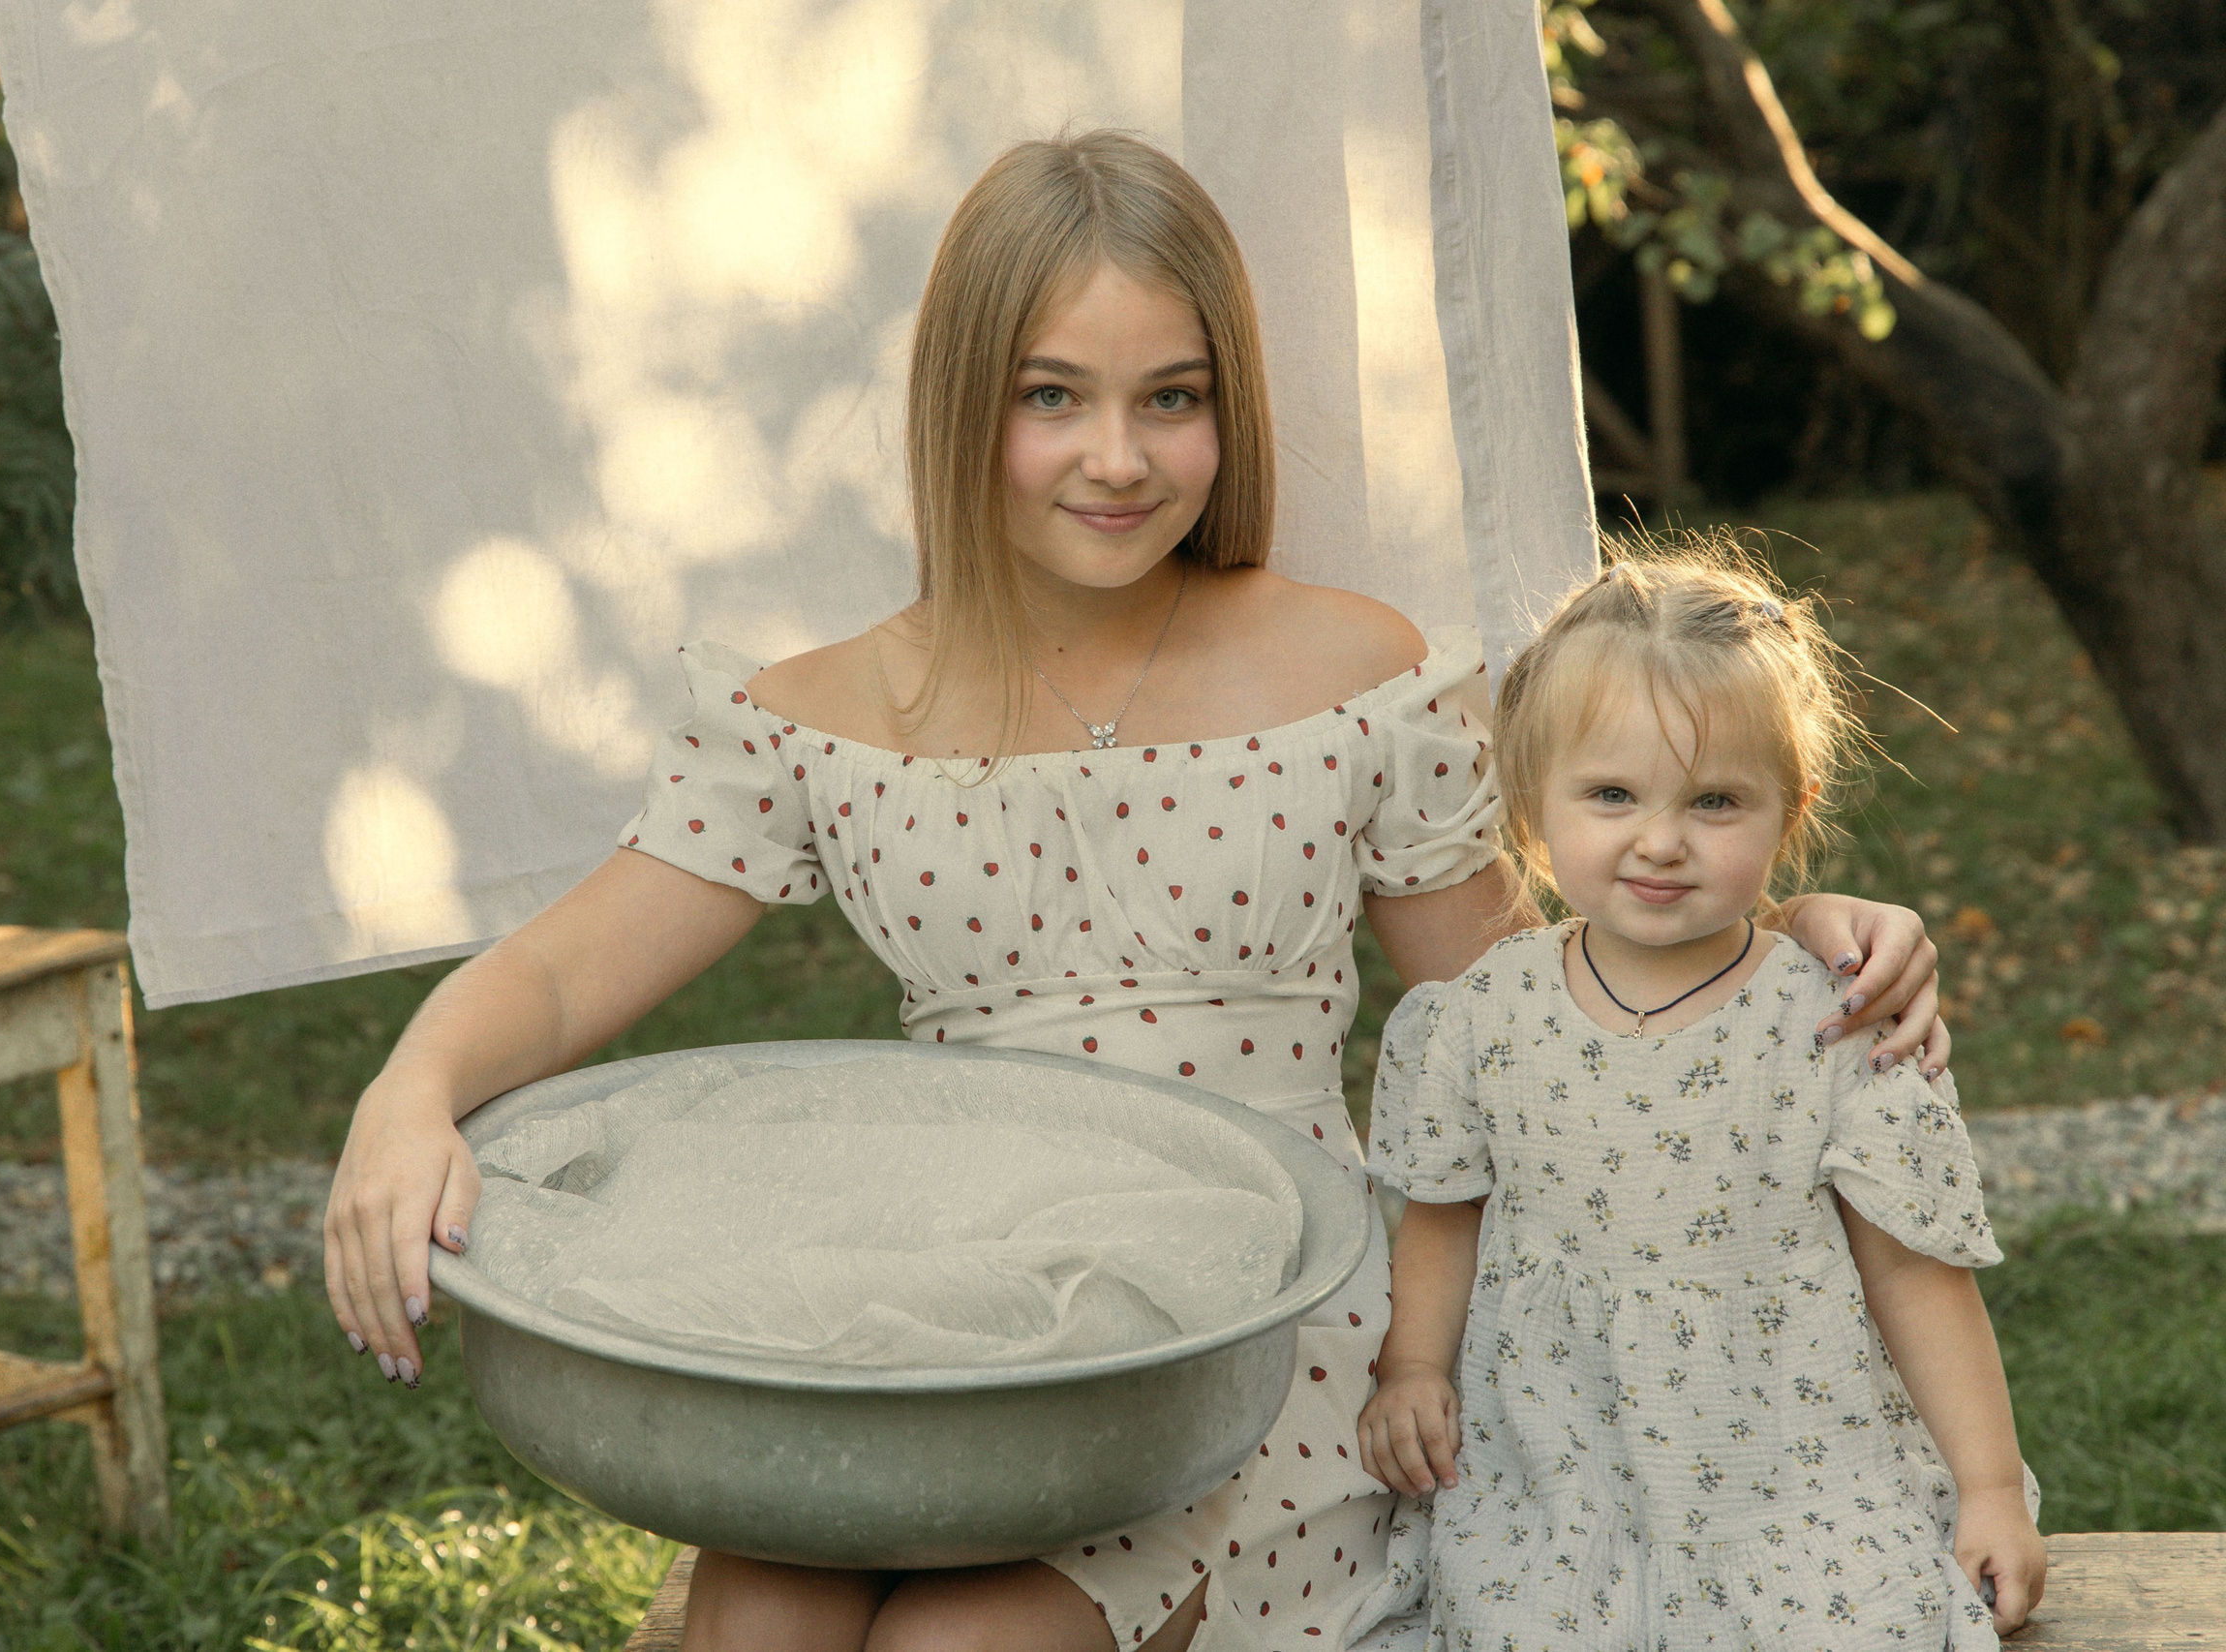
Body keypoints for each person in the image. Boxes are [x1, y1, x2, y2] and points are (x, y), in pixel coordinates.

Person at [322, 132, 1950, 1652]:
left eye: (1171, 399)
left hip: (1255, 1330)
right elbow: (553, 977)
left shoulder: (1353, 675)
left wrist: (1784, 930)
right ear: (967, 402)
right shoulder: (820, 718)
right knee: (758, 1609)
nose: (1118, 458)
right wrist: (415, 1088)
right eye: (1054, 396)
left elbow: (1529, 1011)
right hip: (956, 1309)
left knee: (963, 1639)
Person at [1353, 544, 2043, 1650]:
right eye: (1612, 793)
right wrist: (1415, 1367)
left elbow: (1912, 1270)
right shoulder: (1482, 1014)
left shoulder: (1824, 1019)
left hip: (1782, 1456)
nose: (1660, 839)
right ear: (1532, 799)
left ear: (1791, 807)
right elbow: (1445, 1212)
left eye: (1715, 799)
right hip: (1559, 1457)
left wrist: (1991, 1488)